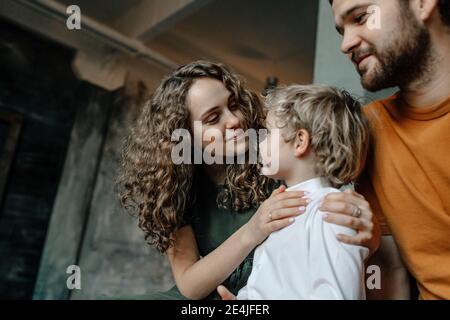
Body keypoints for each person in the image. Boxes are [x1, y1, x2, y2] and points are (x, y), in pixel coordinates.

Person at [118, 61, 378, 300]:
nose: (234, 121)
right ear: (183, 136)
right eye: (212, 118)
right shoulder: (177, 190)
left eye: (233, 105)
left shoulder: (279, 162)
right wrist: (252, 231)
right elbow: (189, 285)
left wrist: (368, 228)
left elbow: (349, 244)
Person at [330, 0, 450, 299]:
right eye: (341, 30)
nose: (345, 44)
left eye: (360, 17)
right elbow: (388, 266)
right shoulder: (369, 129)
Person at [218, 84, 371, 300]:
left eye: (268, 133)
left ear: (300, 141)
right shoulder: (280, 206)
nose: (259, 143)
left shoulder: (333, 213)